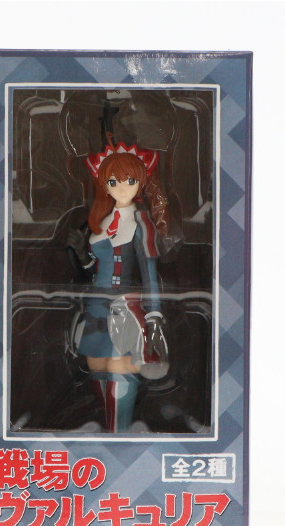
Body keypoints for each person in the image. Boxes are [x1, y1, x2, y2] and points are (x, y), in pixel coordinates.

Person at [67, 142, 169, 433]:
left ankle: (119, 434)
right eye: (114, 182)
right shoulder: (102, 220)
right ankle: (107, 431)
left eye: (130, 180)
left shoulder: (140, 223)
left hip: (124, 309)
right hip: (96, 306)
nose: (122, 188)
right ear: (104, 185)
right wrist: (82, 255)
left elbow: (149, 274)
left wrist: (154, 317)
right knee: (97, 366)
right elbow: (94, 269)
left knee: (120, 370)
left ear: (140, 182)